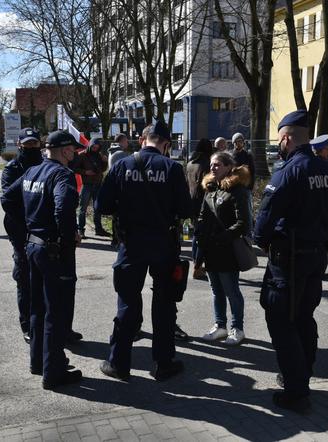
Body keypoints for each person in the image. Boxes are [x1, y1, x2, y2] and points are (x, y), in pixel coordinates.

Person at [254, 110, 328, 411]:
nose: (279, 143)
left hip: (288, 259)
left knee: (280, 318)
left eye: (280, 138)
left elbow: (266, 216)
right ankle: (302, 373)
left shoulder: (289, 170)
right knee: (304, 316)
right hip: (316, 255)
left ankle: (296, 389)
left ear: (287, 137)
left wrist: (261, 241)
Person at [96, 120, 191, 382]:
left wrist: (126, 208)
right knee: (164, 303)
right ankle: (163, 363)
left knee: (127, 301)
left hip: (131, 244)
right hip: (163, 244)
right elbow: (185, 210)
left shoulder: (122, 165)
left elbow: (102, 205)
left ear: (142, 140)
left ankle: (118, 363)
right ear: (166, 144)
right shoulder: (172, 168)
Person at [1, 130, 84, 389]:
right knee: (55, 313)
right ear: (66, 150)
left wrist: (28, 226)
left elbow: (7, 198)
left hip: (32, 246)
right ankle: (54, 372)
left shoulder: (33, 171)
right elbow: (64, 208)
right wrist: (68, 239)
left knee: (37, 308)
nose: (74, 154)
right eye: (72, 150)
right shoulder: (62, 175)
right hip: (52, 251)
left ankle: (38, 362)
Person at [197, 151, 251, 346]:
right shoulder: (210, 188)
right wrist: (199, 234)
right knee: (216, 291)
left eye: (218, 164)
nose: (213, 167)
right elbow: (203, 216)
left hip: (227, 249)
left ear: (229, 167)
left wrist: (221, 237)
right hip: (210, 249)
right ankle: (220, 326)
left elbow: (243, 223)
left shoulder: (238, 190)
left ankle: (238, 328)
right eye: (212, 164)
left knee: (231, 291)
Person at [1, 128, 43, 345]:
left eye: (34, 144)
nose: (30, 148)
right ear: (19, 145)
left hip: (43, 231)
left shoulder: (44, 165)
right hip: (20, 231)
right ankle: (27, 326)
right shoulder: (12, 168)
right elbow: (9, 201)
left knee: (48, 281)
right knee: (25, 280)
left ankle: (54, 326)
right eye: (27, 144)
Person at [186, 138, 212, 280]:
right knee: (201, 236)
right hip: (203, 203)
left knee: (196, 235)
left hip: (191, 203)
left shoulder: (190, 163)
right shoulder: (206, 164)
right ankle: (197, 266)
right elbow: (208, 187)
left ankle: (196, 264)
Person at [75, 137, 109, 238]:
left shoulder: (99, 155)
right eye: (93, 147)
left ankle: (98, 229)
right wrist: (85, 172)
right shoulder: (82, 155)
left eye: (97, 147)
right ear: (90, 146)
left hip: (98, 184)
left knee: (97, 208)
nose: (95, 149)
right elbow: (74, 168)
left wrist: (105, 161)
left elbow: (103, 169)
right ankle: (81, 230)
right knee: (82, 209)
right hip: (87, 185)